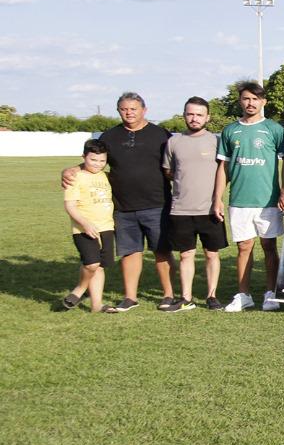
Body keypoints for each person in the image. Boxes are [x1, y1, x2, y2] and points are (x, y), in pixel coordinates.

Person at [62, 92, 174, 312]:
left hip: (157, 203)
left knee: (162, 251)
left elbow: (177, 162)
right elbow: (94, 160)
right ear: (118, 110)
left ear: (144, 110)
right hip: (122, 206)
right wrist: (74, 168)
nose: (129, 112)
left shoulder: (161, 135)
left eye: (133, 108)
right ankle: (130, 297)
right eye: (124, 109)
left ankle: (168, 295)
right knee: (130, 252)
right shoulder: (110, 136)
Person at [215, 81, 284, 313]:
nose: (250, 103)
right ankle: (244, 295)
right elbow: (222, 168)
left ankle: (270, 293)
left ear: (263, 102)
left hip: (268, 200)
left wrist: (283, 192)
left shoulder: (274, 129)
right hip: (239, 200)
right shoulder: (229, 131)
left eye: (255, 99)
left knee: (269, 246)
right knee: (244, 247)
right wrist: (217, 198)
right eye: (246, 98)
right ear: (240, 101)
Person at [163, 97, 226, 312]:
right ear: (184, 115)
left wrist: (217, 200)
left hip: (210, 209)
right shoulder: (174, 142)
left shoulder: (216, 141)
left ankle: (211, 295)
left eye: (199, 114)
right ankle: (186, 297)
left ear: (207, 117)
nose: (194, 118)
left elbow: (224, 172)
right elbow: (169, 171)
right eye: (190, 114)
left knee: (211, 253)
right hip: (180, 209)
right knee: (186, 255)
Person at [62, 139, 115, 313]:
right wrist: (85, 224)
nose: (98, 164)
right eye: (93, 160)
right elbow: (70, 206)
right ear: (83, 157)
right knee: (91, 264)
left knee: (99, 266)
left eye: (102, 161)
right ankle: (80, 290)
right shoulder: (74, 177)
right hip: (84, 229)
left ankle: (96, 305)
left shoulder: (105, 176)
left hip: (106, 227)